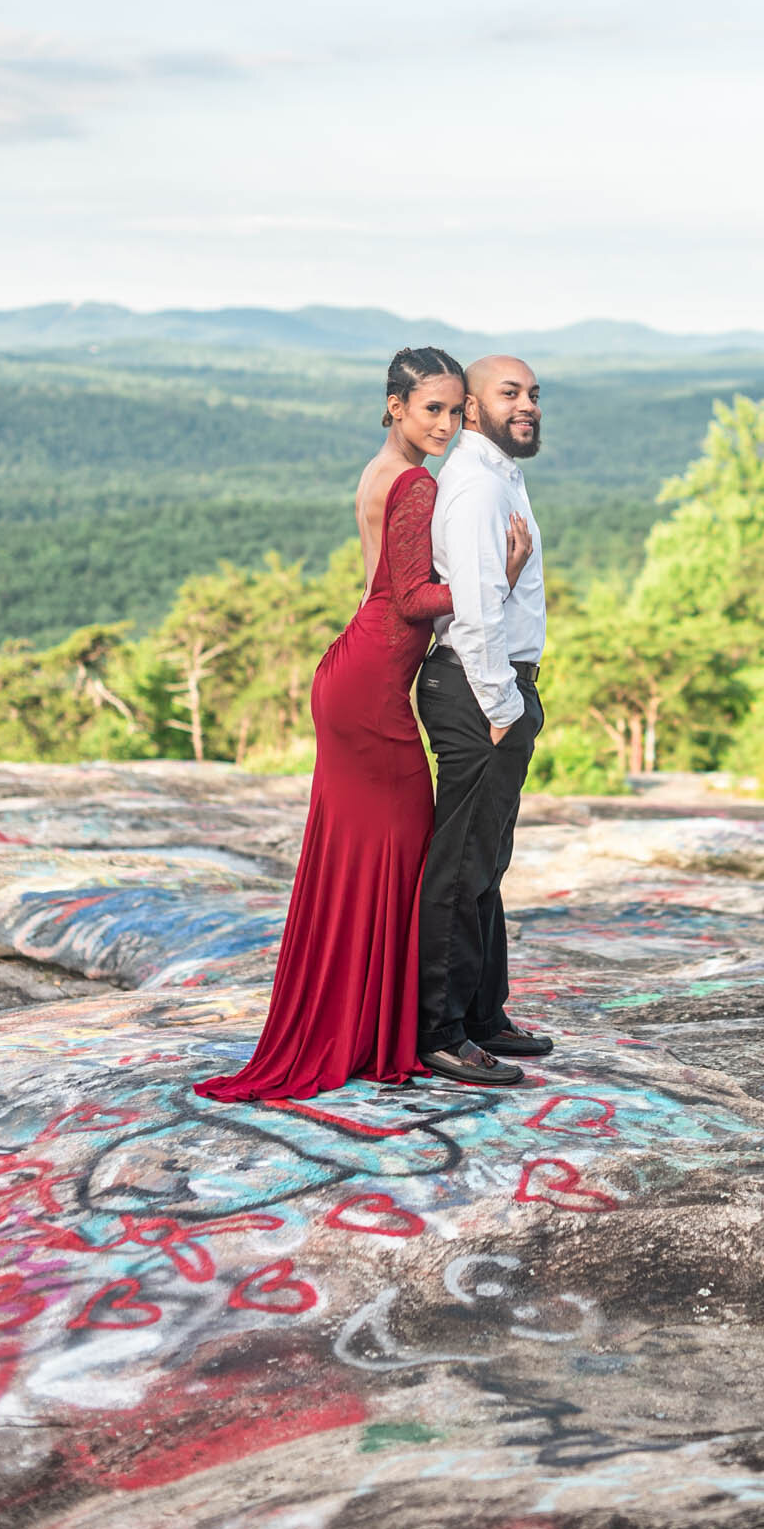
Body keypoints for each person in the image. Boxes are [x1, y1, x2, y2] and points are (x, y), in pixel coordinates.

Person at [193, 345, 532, 1103]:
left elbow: (386, 586)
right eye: (430, 409)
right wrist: (491, 581)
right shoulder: (413, 481)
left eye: (454, 409)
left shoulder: (379, 470)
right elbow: (412, 599)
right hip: (373, 689)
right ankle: (391, 1027)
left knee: (375, 855)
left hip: (357, 672)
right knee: (404, 850)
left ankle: (370, 1018)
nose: (446, 423)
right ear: (395, 407)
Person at [414, 355, 550, 1087]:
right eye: (510, 393)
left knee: (486, 865)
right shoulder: (471, 487)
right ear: (471, 407)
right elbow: (472, 612)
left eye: (533, 393)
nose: (527, 404)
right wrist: (501, 706)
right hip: (478, 690)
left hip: (498, 689)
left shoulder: (500, 476)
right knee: (460, 866)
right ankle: (437, 1031)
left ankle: (480, 1015)